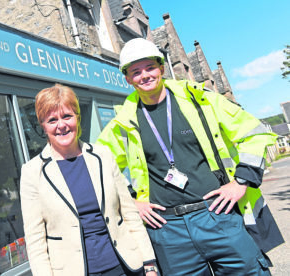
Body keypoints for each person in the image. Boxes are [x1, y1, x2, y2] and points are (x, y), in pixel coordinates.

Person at [97, 38, 284, 275]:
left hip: (218, 215)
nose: (144, 75)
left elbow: (254, 133)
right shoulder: (123, 121)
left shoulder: (199, 99)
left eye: (150, 68)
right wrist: (133, 202)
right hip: (167, 229)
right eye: (136, 71)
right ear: (127, 78)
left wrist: (241, 182)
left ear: (161, 68)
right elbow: (99, 164)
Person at [20, 84, 158, 276]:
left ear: (78, 117)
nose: (61, 125)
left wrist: (150, 264)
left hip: (125, 266)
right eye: (52, 120)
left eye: (67, 116)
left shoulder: (103, 155)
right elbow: (36, 241)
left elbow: (130, 214)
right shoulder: (32, 172)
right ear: (43, 126)